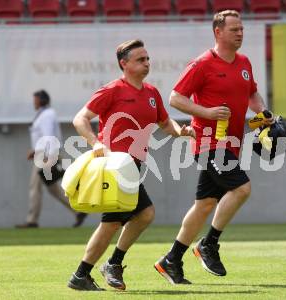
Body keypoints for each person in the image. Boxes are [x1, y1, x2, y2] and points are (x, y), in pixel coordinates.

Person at [154, 10, 273, 284]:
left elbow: (252, 93)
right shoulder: (202, 63)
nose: (240, 33)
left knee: (205, 204)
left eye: (242, 29)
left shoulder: (244, 62)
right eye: (234, 29)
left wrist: (265, 112)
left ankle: (171, 259)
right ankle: (209, 244)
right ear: (218, 32)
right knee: (242, 188)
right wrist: (206, 113)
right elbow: (175, 98)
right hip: (209, 143)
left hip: (231, 143)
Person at [67, 39, 195, 291]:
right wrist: (94, 143)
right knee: (114, 221)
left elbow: (166, 125)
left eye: (147, 59)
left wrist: (184, 131)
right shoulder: (112, 90)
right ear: (124, 64)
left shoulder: (151, 93)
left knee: (143, 215)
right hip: (114, 168)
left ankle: (103, 267)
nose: (147, 63)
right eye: (140, 59)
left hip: (133, 167)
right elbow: (80, 118)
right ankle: (84, 273)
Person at [16, 90, 87, 229]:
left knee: (34, 187)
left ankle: (32, 220)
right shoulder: (44, 114)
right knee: (53, 189)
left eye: (35, 99)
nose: (34, 102)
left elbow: (48, 136)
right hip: (44, 153)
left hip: (45, 155)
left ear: (42, 100)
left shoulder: (47, 115)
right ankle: (79, 211)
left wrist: (44, 155)